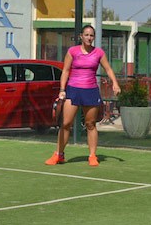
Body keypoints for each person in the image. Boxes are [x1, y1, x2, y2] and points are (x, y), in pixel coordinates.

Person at [45, 25, 121, 167]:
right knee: (66, 123)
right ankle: (58, 155)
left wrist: (115, 83)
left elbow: (108, 69)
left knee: (90, 124)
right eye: (86, 35)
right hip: (73, 90)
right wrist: (62, 89)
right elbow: (66, 71)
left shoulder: (99, 53)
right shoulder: (72, 51)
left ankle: (92, 156)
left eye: (91, 35)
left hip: (90, 90)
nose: (89, 38)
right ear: (81, 36)